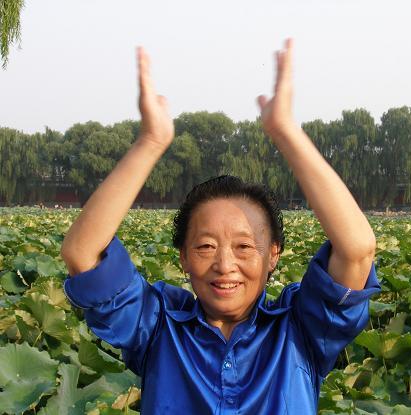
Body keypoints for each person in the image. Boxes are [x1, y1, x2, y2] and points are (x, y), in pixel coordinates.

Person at [61, 40, 381, 414]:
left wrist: (286, 132)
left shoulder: (301, 329)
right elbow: (82, 253)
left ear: (273, 254)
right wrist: (151, 141)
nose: (225, 265)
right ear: (183, 257)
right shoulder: (157, 326)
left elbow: (356, 251)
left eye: (244, 247)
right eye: (206, 247)